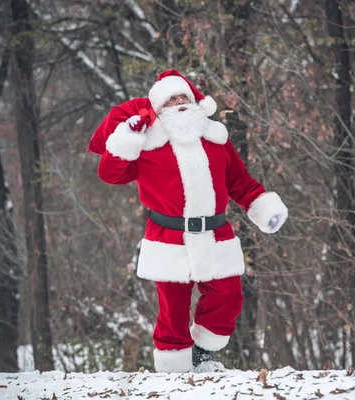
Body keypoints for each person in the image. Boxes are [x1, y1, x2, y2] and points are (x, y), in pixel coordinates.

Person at [88, 69, 288, 373]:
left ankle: (202, 352)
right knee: (173, 313)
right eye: (171, 100)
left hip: (215, 233)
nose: (179, 103)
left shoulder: (216, 138)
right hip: (168, 237)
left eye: (183, 96)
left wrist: (263, 208)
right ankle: (174, 374)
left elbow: (241, 183)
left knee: (230, 297)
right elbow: (110, 174)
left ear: (195, 101)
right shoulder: (147, 144)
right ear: (159, 110)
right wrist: (127, 137)